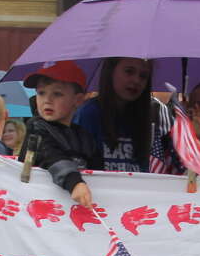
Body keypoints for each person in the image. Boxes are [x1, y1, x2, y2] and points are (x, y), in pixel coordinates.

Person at [18, 61, 102, 207]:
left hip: (78, 208)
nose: (47, 100)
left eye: (57, 94)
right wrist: (74, 182)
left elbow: (100, 173)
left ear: (78, 100)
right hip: (36, 208)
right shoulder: (37, 127)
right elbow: (49, 154)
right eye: (41, 93)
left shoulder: (85, 137)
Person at [74, 57, 169, 172]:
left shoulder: (144, 117)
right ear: (111, 71)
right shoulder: (88, 114)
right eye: (129, 71)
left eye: (143, 76)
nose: (136, 80)